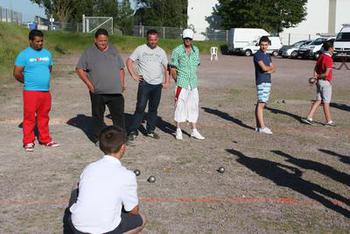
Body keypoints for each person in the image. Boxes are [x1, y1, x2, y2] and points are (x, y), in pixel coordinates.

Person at [68, 126, 146, 234]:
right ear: (123, 147)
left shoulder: (89, 167)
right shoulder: (127, 175)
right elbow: (134, 211)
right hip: (105, 229)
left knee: (76, 186)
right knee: (141, 219)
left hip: (77, 226)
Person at [76, 28, 126, 143]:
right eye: (100, 41)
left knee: (119, 117)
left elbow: (121, 69)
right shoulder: (89, 52)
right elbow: (79, 69)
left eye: (105, 41)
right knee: (98, 117)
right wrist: (89, 85)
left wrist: (122, 83)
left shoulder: (113, 50)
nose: (103, 43)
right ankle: (98, 139)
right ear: (95, 40)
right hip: (98, 92)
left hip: (115, 91)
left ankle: (121, 139)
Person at [14, 29, 59, 152]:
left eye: (42, 41)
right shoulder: (24, 55)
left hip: (45, 91)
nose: (40, 43)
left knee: (44, 116)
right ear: (30, 41)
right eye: (37, 41)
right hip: (30, 92)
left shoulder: (47, 54)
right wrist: (28, 82)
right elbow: (17, 73)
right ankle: (28, 141)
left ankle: (45, 139)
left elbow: (49, 69)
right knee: (29, 117)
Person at [127, 29, 169, 141]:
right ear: (147, 39)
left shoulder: (161, 52)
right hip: (145, 84)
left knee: (153, 109)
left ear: (158, 39)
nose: (153, 42)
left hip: (157, 85)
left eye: (155, 39)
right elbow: (129, 61)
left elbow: (166, 67)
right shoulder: (140, 49)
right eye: (151, 39)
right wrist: (134, 75)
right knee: (140, 107)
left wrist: (167, 81)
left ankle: (150, 130)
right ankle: (133, 130)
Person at [170, 28, 205, 140]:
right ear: (183, 38)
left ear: (192, 39)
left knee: (194, 105)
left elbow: (196, 64)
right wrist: (178, 80)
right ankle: (178, 129)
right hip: (182, 83)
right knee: (179, 105)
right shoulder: (177, 51)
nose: (187, 40)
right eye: (186, 38)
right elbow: (173, 68)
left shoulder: (196, 50)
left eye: (189, 38)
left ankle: (194, 130)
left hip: (193, 83)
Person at [301, 41, 335, 126]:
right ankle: (329, 121)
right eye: (333, 47)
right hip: (325, 82)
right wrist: (318, 77)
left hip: (319, 82)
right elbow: (326, 74)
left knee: (318, 100)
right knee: (326, 102)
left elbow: (315, 68)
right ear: (330, 48)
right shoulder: (329, 59)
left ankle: (309, 117)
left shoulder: (321, 56)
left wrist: (315, 78)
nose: (334, 49)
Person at [253, 36, 276, 134]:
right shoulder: (258, 55)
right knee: (261, 104)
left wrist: (269, 69)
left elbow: (273, 69)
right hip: (262, 81)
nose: (264, 46)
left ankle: (258, 126)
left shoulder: (267, 55)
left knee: (261, 103)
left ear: (268, 44)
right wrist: (268, 69)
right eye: (262, 45)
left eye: (266, 45)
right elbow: (264, 68)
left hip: (267, 80)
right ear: (259, 44)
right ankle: (262, 127)